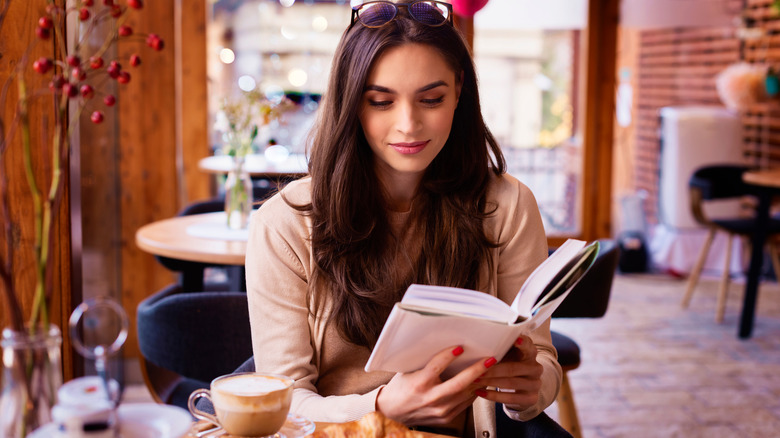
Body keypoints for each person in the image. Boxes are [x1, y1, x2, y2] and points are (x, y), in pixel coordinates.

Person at [246, 1, 569, 437]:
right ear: (351, 105)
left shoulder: (507, 206)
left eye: (431, 99)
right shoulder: (284, 225)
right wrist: (381, 407)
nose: (409, 125)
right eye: (380, 102)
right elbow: (282, 402)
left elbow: (542, 361)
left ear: (459, 91)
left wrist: (531, 387)